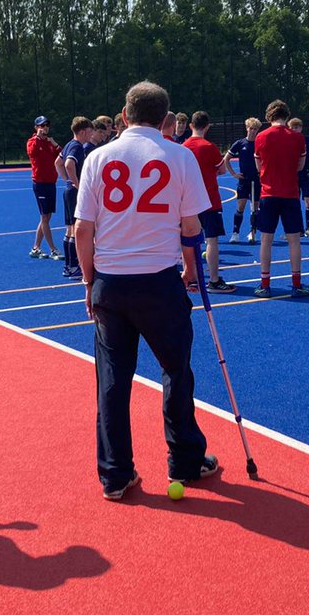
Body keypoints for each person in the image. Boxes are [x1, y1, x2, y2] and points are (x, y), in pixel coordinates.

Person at [73, 81, 218, 501]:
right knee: (176, 370)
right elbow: (191, 228)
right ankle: (186, 460)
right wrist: (191, 269)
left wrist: (89, 280)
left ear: (123, 116)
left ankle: (116, 474)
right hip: (158, 281)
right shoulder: (180, 155)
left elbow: (84, 229)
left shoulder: (98, 158)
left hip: (111, 284)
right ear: (167, 119)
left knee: (113, 381)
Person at [253, 101, 309, 298]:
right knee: (294, 240)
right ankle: (296, 283)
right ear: (287, 116)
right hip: (290, 194)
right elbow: (301, 166)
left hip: (268, 194)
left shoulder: (261, 137)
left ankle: (265, 283)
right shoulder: (297, 138)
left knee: (266, 240)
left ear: (269, 116)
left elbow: (258, 167)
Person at [183, 111, 236, 293]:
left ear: (191, 125)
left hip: (188, 201)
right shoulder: (209, 147)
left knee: (190, 241)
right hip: (209, 201)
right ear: (207, 127)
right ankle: (213, 280)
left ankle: (192, 278)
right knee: (211, 241)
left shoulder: (183, 147)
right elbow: (221, 170)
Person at [56, 117, 94, 278]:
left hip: (68, 191)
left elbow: (57, 162)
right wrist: (76, 184)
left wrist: (66, 181)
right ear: (83, 131)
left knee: (69, 227)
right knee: (74, 228)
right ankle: (73, 266)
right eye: (90, 132)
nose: (91, 135)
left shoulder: (68, 144)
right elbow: (68, 164)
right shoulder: (77, 147)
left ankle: (69, 266)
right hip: (73, 191)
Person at [27, 116, 61, 260]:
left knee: (47, 216)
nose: (45, 128)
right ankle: (53, 249)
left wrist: (55, 144)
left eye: (46, 125)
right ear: (36, 127)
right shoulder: (32, 142)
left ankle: (36, 248)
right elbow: (32, 153)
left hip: (50, 183)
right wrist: (39, 139)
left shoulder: (49, 143)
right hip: (40, 183)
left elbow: (62, 155)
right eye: (42, 125)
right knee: (44, 217)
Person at [227, 118, 262, 243]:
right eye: (251, 128)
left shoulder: (260, 143)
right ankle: (235, 233)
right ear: (247, 128)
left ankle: (253, 233)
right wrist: (234, 174)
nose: (253, 131)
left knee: (255, 208)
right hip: (243, 181)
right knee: (240, 206)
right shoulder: (240, 143)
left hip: (256, 181)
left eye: (255, 129)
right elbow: (226, 159)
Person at [288, 117, 309, 237]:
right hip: (293, 176)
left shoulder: (308, 140)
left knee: (308, 201)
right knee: (294, 202)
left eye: (297, 127)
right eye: (292, 127)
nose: (295, 129)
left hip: (306, 175)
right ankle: (297, 229)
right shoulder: (287, 141)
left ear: (301, 128)